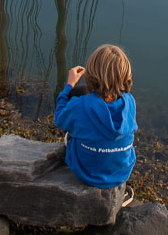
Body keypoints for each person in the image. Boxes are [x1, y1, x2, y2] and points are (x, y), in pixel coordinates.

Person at [54, 44, 137, 197]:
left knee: (76, 105)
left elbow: (58, 117)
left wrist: (69, 85)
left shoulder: (80, 105)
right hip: (121, 173)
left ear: (91, 74)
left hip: (86, 173)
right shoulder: (130, 102)